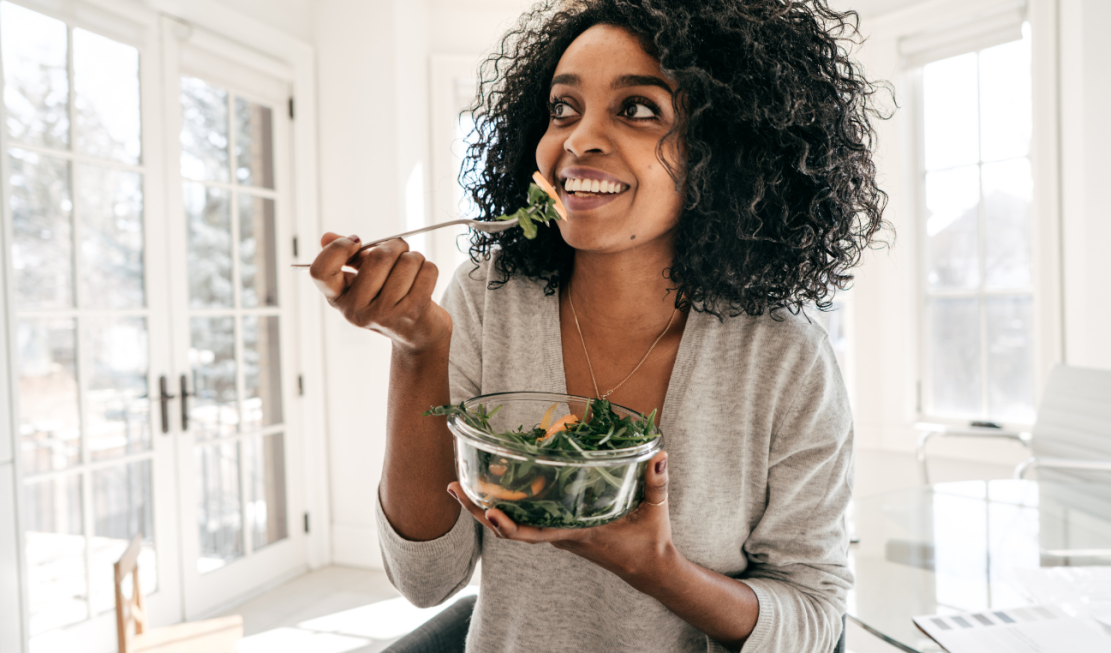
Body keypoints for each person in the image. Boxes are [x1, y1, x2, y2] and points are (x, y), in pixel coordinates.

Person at [309, 1, 887, 650]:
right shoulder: (489, 296)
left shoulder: (785, 356)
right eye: (563, 108)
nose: (577, 139)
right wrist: (420, 346)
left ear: (721, 149)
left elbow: (812, 620)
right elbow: (424, 578)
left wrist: (654, 566)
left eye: (637, 108)